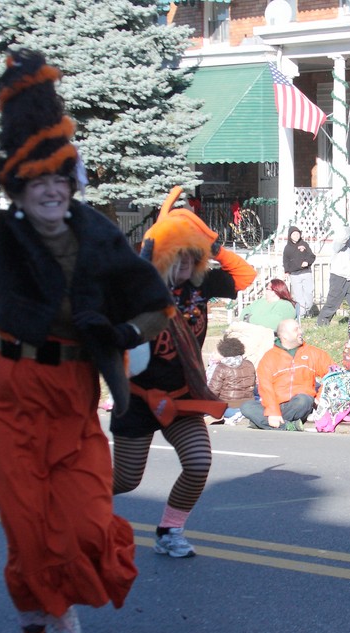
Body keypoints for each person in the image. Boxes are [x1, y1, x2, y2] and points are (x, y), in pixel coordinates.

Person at [0, 50, 175, 633]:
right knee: (25, 526)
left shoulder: (100, 237)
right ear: (21, 188)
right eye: (36, 180)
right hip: (6, 391)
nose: (48, 189)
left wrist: (122, 332)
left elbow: (156, 305)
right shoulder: (1, 235)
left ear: (72, 186)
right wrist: (7, 163)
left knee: (85, 524)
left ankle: (61, 601)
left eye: (58, 179)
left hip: (71, 391)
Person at [110, 185, 256, 559]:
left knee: (198, 463)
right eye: (174, 259)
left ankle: (169, 530)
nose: (182, 268)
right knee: (125, 480)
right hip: (139, 400)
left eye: (189, 260)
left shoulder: (201, 286)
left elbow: (246, 275)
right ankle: (72, 500)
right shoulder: (137, 290)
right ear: (159, 258)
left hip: (183, 396)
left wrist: (210, 242)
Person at [241, 318, 334, 430]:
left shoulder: (314, 353)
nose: (301, 332)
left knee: (304, 400)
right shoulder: (269, 357)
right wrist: (273, 411)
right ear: (284, 336)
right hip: (276, 405)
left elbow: (333, 375)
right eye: (296, 329)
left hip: (300, 404)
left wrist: (320, 397)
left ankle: (263, 423)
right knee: (246, 407)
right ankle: (287, 426)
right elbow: (265, 387)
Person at [316, 222, 350, 326]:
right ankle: (321, 323)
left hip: (348, 277)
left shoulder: (349, 244)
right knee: (333, 302)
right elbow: (343, 239)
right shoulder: (337, 244)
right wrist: (347, 230)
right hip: (338, 276)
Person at [206, 335, 256, 425]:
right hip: (248, 404)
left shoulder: (222, 367)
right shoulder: (249, 364)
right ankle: (240, 415)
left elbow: (213, 392)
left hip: (229, 405)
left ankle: (222, 416)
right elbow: (253, 384)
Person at [283, 225, 316, 318]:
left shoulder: (304, 244)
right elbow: (285, 260)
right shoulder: (287, 248)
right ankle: (301, 314)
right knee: (298, 295)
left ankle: (308, 310)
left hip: (306, 272)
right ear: (290, 236)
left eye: (297, 234)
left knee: (308, 292)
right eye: (294, 234)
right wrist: (286, 271)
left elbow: (312, 256)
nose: (296, 236)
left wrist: (307, 262)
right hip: (294, 274)